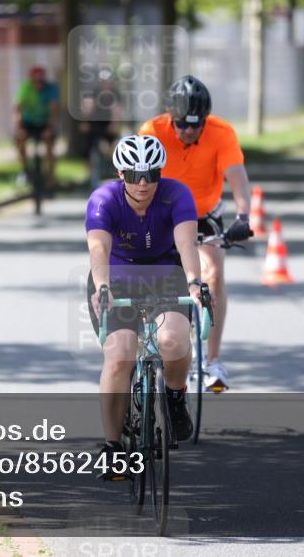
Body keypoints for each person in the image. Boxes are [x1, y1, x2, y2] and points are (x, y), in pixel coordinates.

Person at [86, 135, 204, 477]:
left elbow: (186, 243)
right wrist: (103, 286)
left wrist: (195, 282)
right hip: (116, 277)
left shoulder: (176, 194)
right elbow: (98, 250)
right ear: (120, 173)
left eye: (151, 174)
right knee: (120, 353)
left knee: (173, 339)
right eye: (135, 175)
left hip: (167, 273)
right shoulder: (103, 199)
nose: (143, 183)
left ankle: (175, 396)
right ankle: (112, 447)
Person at [138, 75, 252, 392]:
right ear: (170, 118)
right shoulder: (152, 131)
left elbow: (238, 179)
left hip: (203, 212)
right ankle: (146, 336)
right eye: (182, 125)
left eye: (195, 125)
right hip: (160, 211)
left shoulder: (221, 133)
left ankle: (210, 361)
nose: (188, 131)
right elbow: (136, 179)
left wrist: (243, 215)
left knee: (212, 272)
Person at [14, 66, 59, 186]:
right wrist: (20, 129)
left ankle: (50, 177)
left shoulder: (51, 89)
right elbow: (18, 110)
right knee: (19, 141)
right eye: (36, 81)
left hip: (45, 123)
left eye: (41, 81)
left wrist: (49, 128)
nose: (38, 84)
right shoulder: (25, 88)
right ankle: (25, 170)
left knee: (50, 146)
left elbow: (54, 111)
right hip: (28, 123)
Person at [80, 69, 122, 185]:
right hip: (94, 124)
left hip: (108, 125)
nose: (106, 84)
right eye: (104, 82)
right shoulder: (95, 92)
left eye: (108, 82)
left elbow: (116, 111)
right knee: (86, 147)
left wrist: (114, 125)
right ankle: (89, 176)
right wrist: (85, 122)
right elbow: (89, 107)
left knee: (114, 147)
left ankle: (114, 172)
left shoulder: (115, 94)